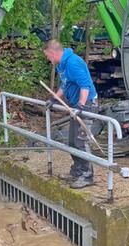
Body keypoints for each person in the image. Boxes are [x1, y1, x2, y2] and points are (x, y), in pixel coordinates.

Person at [43, 39, 98, 189]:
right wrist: (54, 99)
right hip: (76, 106)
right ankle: (77, 171)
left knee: (81, 141)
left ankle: (88, 176)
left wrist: (81, 105)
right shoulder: (63, 65)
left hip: (86, 105)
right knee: (72, 142)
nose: (48, 59)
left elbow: (85, 85)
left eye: (48, 56)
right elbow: (65, 84)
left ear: (53, 53)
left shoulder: (73, 63)